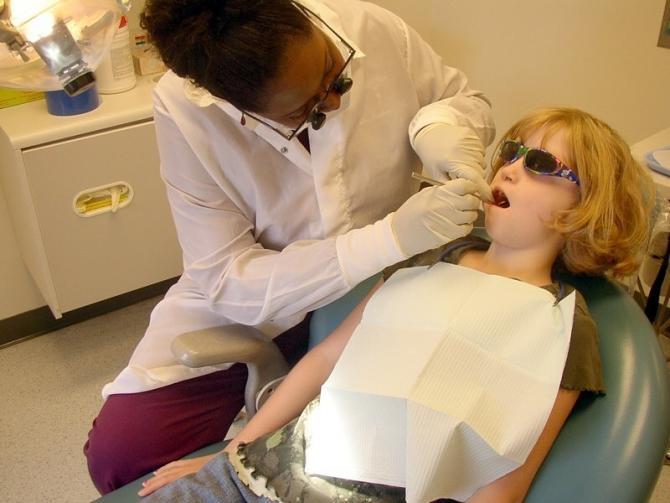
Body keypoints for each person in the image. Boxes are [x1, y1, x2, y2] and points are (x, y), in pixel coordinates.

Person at [136, 107, 654, 501]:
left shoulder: (560, 324)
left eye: (540, 163)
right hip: (256, 471)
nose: (510, 169)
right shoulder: (428, 260)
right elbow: (325, 359)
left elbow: (508, 472)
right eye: (512, 152)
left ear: (585, 208)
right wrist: (232, 452)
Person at [84, 0, 496, 493]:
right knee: (121, 457)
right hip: (268, 299)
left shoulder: (370, 27)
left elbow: (461, 99)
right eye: (305, 111)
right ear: (240, 110)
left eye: (334, 74)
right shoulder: (186, 109)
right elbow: (225, 278)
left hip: (391, 282)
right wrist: (386, 239)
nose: (335, 103)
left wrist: (441, 127)